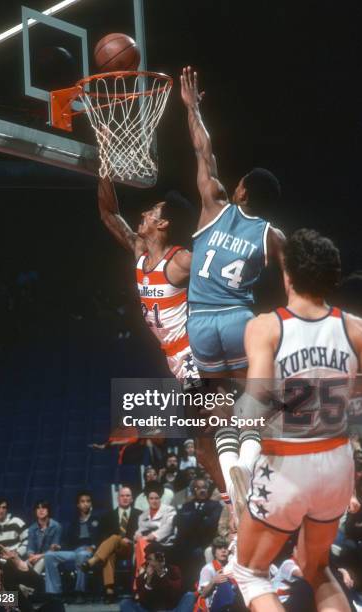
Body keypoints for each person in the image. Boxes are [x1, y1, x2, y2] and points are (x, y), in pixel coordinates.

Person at [232, 229, 362, 611]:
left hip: (289, 462)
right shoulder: (355, 328)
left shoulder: (266, 326)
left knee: (250, 572)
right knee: (315, 565)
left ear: (287, 275)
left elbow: (255, 400)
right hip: (338, 464)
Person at [180, 66, 286, 507]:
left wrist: (192, 108)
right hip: (238, 319)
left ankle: (229, 479)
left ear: (241, 189)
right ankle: (247, 459)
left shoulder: (214, 204)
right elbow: (295, 283)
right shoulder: (273, 235)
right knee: (259, 400)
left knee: (219, 401)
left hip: (199, 322)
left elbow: (203, 149)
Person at [98, 177, 199, 383]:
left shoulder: (179, 260)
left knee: (208, 410)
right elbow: (108, 214)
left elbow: (219, 264)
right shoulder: (140, 252)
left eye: (152, 211)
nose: (144, 213)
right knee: (213, 409)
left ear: (162, 223)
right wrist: (104, 171)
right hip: (172, 354)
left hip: (191, 350)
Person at [82, 486, 141, 603]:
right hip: (113, 549)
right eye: (122, 496)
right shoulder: (107, 516)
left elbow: (142, 534)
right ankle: (109, 591)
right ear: (118, 498)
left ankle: (93, 561)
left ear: (132, 499)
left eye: (128, 496)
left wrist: (130, 540)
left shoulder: (140, 515)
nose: (125, 498)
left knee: (114, 538)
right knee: (109, 553)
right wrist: (117, 540)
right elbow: (101, 536)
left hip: (131, 548)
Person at [43, 490, 99, 602]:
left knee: (82, 555)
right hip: (74, 551)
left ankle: (80, 592)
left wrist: (93, 546)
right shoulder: (74, 522)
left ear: (91, 503)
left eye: (88, 501)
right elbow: (68, 542)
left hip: (91, 551)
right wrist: (59, 547)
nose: (85, 504)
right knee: (49, 555)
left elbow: (102, 538)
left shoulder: (98, 519)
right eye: (82, 501)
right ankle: (55, 593)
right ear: (78, 505)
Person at [120, 542, 195, 612]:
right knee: (125, 603)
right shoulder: (142, 576)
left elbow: (174, 593)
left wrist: (162, 574)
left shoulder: (173, 570)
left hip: (170, 609)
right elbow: (143, 600)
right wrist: (148, 580)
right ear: (148, 560)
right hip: (150, 610)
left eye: (161, 557)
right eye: (156, 558)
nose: (160, 560)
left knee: (189, 596)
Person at [134, 482, 176, 578]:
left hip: (164, 542)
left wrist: (153, 536)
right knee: (139, 542)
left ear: (160, 498)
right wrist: (137, 534)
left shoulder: (169, 510)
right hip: (146, 543)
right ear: (147, 500)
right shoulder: (143, 515)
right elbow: (140, 529)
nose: (154, 501)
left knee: (141, 543)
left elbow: (168, 528)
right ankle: (143, 571)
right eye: (151, 498)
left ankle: (141, 573)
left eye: (156, 498)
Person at [196, 536, 241, 612]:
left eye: (225, 548)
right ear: (214, 552)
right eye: (220, 548)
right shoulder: (208, 569)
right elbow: (203, 594)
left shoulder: (231, 566)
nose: (223, 551)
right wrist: (213, 581)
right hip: (213, 606)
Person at [27, 500, 62, 575]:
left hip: (51, 557)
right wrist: (31, 556)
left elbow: (54, 549)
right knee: (25, 563)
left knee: (42, 560)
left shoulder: (56, 526)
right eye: (38, 508)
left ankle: (32, 583)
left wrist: (38, 556)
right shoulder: (32, 528)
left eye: (44, 508)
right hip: (35, 558)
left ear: (48, 510)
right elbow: (30, 548)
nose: (41, 510)